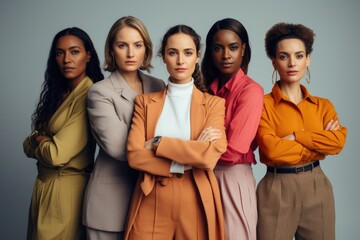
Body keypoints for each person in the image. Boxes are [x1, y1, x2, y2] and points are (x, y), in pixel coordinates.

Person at [124, 24, 227, 240]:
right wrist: (190, 155)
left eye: (187, 53)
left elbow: (209, 157)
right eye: (173, 53)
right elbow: (134, 155)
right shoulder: (144, 103)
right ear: (163, 57)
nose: (180, 61)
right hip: (151, 196)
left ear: (197, 56)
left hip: (195, 197)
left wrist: (158, 142)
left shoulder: (214, 104)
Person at [256, 22, 347, 240]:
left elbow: (337, 142)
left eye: (298, 56)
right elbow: (271, 151)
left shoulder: (323, 105)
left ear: (308, 59)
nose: (292, 63)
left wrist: (298, 136)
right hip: (276, 189)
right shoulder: (261, 104)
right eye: (284, 56)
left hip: (317, 187)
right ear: (274, 61)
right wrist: (317, 145)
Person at [82, 16, 165, 240]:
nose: (130, 54)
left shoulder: (158, 86)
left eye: (137, 45)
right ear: (111, 50)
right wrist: (164, 144)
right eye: (122, 45)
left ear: (146, 49)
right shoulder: (100, 92)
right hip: (110, 206)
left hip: (151, 201)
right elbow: (120, 147)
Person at [23, 27, 104, 240]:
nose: (66, 59)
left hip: (66, 190)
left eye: (74, 51)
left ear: (88, 56)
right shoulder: (59, 94)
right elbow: (26, 145)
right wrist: (38, 139)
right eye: (60, 53)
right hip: (43, 187)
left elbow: (56, 154)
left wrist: (37, 138)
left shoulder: (89, 94)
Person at [201, 18, 263, 240]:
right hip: (203, 176)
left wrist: (193, 149)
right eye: (218, 48)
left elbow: (234, 149)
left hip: (233, 177)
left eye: (233, 47)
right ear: (210, 51)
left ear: (243, 49)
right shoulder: (207, 89)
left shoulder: (251, 91)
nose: (226, 55)